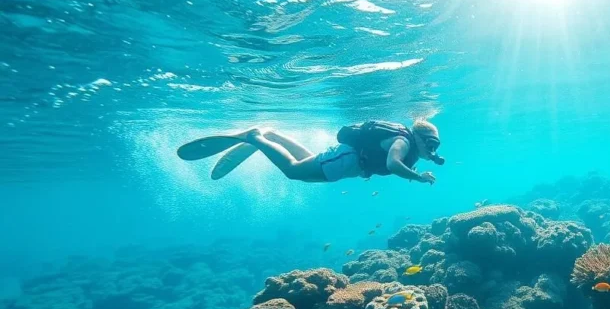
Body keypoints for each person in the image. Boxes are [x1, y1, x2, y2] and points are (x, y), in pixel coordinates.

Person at [176, 119, 444, 184]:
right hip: (345, 161)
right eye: (430, 144)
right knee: (294, 171)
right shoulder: (404, 142)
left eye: (435, 147)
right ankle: (255, 137)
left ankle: (272, 135)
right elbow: (394, 164)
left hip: (346, 161)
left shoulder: (408, 144)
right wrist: (418, 178)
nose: (431, 150)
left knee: (302, 162)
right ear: (419, 137)